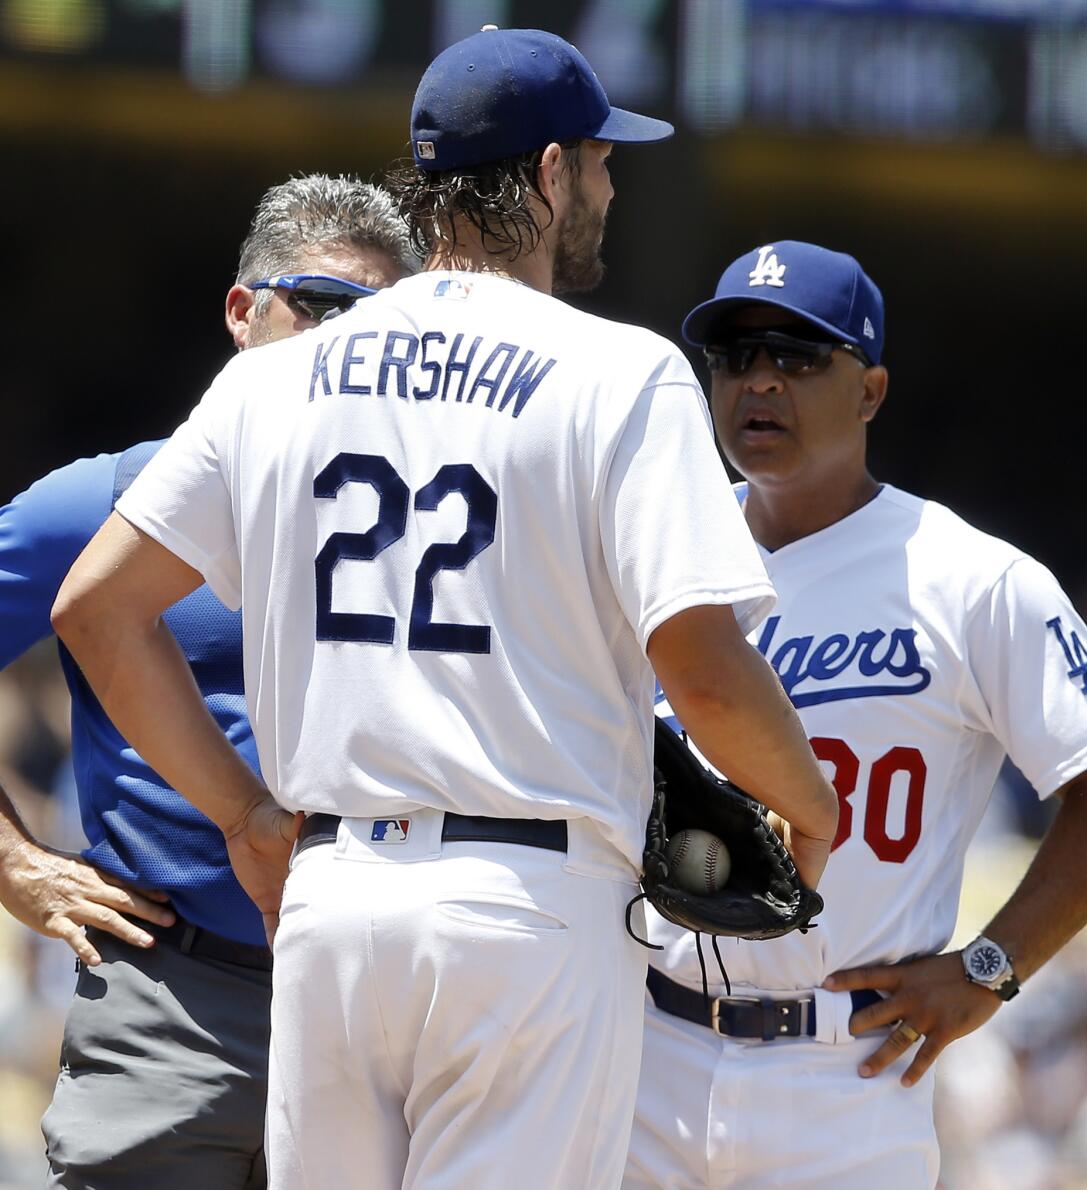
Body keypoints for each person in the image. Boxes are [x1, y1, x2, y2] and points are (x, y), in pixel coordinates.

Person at [50, 29, 839, 1190]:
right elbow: (706, 671)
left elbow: (97, 606)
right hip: (527, 911)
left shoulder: (277, 371)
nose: (612, 186)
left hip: (332, 900)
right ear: (552, 173)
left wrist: (245, 818)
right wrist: (806, 800)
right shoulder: (617, 371)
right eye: (603, 163)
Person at [624, 240, 1087, 1188]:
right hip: (644, 1050)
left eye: (797, 357)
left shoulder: (972, 578)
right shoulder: (655, 546)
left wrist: (992, 968)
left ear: (870, 391)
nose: (761, 381)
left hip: (845, 1075)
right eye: (737, 356)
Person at [0, 172, 415, 1190]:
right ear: (244, 310)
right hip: (175, 996)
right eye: (320, 304)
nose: (344, 343)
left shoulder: (437, 524)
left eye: (380, 323)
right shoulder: (105, 501)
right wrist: (13, 863)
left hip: (387, 1011)